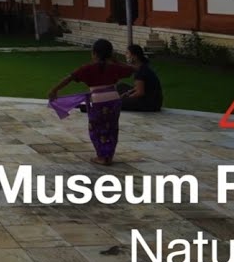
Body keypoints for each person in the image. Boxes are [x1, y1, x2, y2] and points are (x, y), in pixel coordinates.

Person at [47, 38, 135, 166]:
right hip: (114, 99)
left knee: (96, 129)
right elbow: (132, 69)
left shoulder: (88, 68)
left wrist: (54, 90)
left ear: (94, 53)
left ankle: (101, 156)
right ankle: (108, 156)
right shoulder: (114, 67)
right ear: (111, 53)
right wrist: (116, 61)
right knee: (112, 128)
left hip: (98, 100)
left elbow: (69, 78)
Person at [118, 44, 163, 112]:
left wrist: (126, 98)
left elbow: (139, 92)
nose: (125, 55)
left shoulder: (140, 71)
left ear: (134, 56)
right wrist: (128, 92)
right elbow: (139, 87)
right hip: (154, 101)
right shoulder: (142, 67)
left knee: (116, 102)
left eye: (127, 53)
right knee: (121, 87)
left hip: (150, 104)